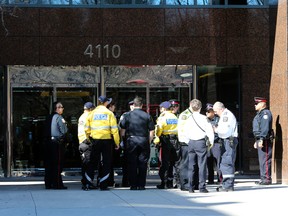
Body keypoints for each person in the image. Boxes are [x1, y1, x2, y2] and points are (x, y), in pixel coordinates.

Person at [178, 99, 214, 193]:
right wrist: (210, 143)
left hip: (191, 143)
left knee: (191, 165)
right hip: (201, 143)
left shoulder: (188, 119)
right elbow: (210, 132)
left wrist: (188, 141)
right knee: (202, 165)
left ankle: (191, 187)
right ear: (200, 108)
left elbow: (184, 132)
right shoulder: (204, 118)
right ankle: (202, 187)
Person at [85, 96, 120, 190]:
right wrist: (117, 142)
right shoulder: (109, 113)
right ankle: (103, 184)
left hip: (95, 140)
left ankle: (88, 183)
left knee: (92, 162)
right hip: (106, 141)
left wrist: (89, 139)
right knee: (106, 162)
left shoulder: (92, 113)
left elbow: (86, 129)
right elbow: (114, 130)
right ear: (106, 103)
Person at [119, 96, 155, 190]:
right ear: (142, 105)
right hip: (143, 140)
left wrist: (124, 140)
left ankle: (133, 185)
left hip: (131, 141)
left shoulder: (127, 116)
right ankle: (141, 185)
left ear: (133, 105)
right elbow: (152, 131)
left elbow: (122, 131)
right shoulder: (147, 115)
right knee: (143, 163)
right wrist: (148, 141)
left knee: (132, 163)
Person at [213, 101, 238, 192]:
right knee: (225, 162)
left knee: (227, 162)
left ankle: (228, 185)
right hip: (226, 141)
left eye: (216, 111)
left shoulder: (226, 116)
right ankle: (227, 183)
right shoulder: (225, 115)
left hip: (228, 140)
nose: (215, 113)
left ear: (221, 109)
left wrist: (215, 130)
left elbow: (225, 131)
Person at [154, 101, 178, 189]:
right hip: (175, 140)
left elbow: (159, 129)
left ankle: (163, 182)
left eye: (161, 108)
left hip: (166, 140)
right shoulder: (174, 116)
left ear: (164, 108)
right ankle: (171, 182)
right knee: (173, 162)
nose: (160, 110)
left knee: (165, 162)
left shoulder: (162, 117)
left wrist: (157, 138)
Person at [44, 101, 68, 189]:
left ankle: (48, 183)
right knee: (57, 164)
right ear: (57, 108)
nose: (62, 109)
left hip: (47, 143)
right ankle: (57, 184)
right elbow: (64, 130)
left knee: (48, 164)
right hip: (56, 143)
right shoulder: (58, 117)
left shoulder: (48, 117)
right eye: (61, 107)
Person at [252, 97, 273, 185]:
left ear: (262, 104)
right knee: (262, 160)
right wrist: (257, 140)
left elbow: (265, 128)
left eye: (257, 103)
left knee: (265, 159)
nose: (255, 105)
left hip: (265, 140)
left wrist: (261, 139)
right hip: (260, 139)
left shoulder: (265, 113)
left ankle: (267, 178)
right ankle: (263, 177)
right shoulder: (259, 114)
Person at [78, 102, 97, 191]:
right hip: (87, 143)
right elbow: (89, 130)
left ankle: (85, 182)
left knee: (84, 164)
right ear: (91, 109)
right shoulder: (89, 116)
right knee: (89, 165)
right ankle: (88, 183)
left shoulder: (82, 116)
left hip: (81, 143)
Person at [118, 100, 134, 187]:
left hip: (132, 140)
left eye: (133, 105)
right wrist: (122, 141)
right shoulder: (125, 115)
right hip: (127, 141)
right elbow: (121, 128)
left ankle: (133, 181)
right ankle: (126, 181)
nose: (132, 106)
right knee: (126, 163)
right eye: (131, 105)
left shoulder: (140, 114)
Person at [205, 103, 222, 184]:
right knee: (209, 162)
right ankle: (210, 179)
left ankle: (220, 179)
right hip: (208, 144)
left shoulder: (218, 119)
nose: (208, 113)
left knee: (218, 162)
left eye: (209, 111)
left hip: (216, 143)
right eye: (207, 111)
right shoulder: (204, 120)